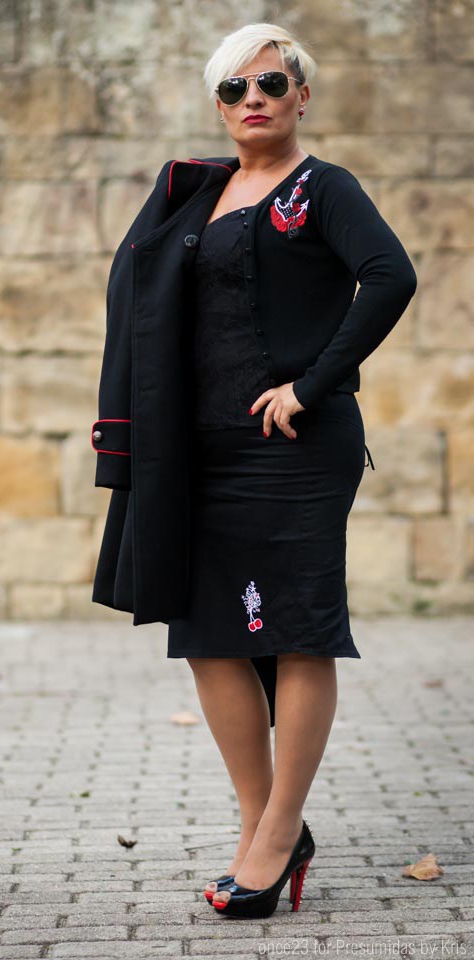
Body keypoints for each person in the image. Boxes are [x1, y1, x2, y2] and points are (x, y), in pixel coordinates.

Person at [91, 22, 417, 919]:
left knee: (300, 632)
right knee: (207, 635)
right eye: (234, 89)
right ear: (219, 105)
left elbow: (390, 277)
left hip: (296, 450)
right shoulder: (196, 195)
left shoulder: (322, 189)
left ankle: (274, 839)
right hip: (197, 450)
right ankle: (264, 821)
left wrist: (312, 384)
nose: (254, 100)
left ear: (302, 94)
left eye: (272, 83)